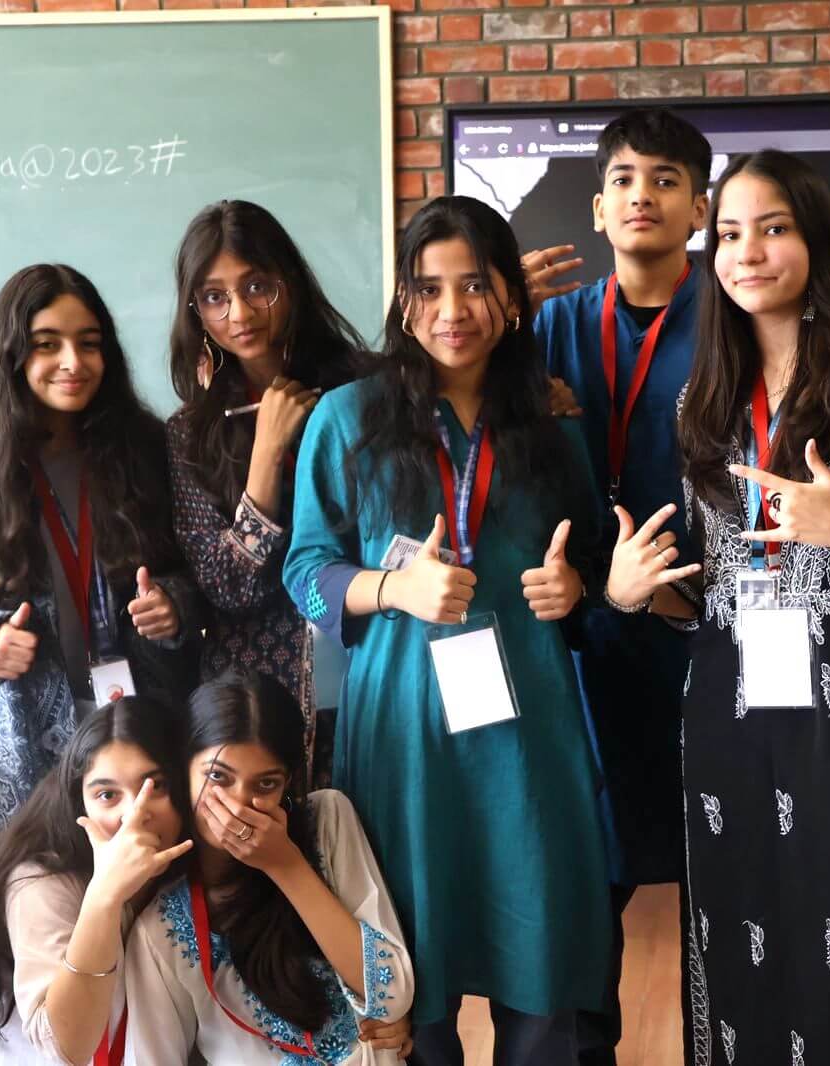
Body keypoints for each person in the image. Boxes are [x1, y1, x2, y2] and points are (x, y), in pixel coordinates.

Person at [611, 149, 830, 1063]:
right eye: (728, 234)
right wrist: (637, 593)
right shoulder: (704, 394)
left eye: (773, 228)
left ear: (816, 238)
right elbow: (712, 588)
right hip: (731, 710)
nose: (747, 252)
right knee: (740, 935)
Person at [283, 195, 612, 1063]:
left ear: (512, 298)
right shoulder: (346, 418)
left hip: (528, 735)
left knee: (539, 955)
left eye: (475, 285)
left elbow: (595, 562)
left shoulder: (552, 425)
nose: (452, 310)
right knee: (410, 966)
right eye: (429, 289)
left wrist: (577, 587)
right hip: (404, 738)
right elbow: (305, 573)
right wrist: (394, 588)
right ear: (403, 301)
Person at [523, 106, 711, 1065]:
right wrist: (495, 316)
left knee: (727, 878)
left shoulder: (733, 321)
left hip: (702, 634)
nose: (644, 196)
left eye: (667, 180)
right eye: (625, 179)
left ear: (699, 209)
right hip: (578, 640)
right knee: (583, 886)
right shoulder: (547, 326)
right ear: (598, 207)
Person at [0, 264, 200, 854]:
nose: (73, 362)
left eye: (89, 343)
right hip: (27, 738)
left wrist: (173, 606)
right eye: (48, 344)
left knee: (149, 883)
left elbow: (190, 573)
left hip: (141, 722)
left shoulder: (147, 450)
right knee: (42, 891)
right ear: (12, 356)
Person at [163, 200, 370, 781]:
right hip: (253, 696)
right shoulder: (191, 432)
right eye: (214, 297)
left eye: (257, 286)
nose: (239, 313)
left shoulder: (366, 389)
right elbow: (228, 587)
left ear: (289, 282)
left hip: (366, 660)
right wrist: (265, 455)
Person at [122, 676, 414, 1062]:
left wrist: (286, 865)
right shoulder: (159, 929)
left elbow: (391, 997)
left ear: (287, 784)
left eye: (265, 784)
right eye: (217, 777)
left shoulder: (326, 821)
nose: (239, 803)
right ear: (184, 770)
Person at [0, 697, 193, 1064]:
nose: (133, 813)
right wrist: (103, 898)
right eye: (107, 795)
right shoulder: (42, 882)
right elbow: (65, 1049)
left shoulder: (191, 860)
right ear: (79, 803)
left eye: (157, 785)